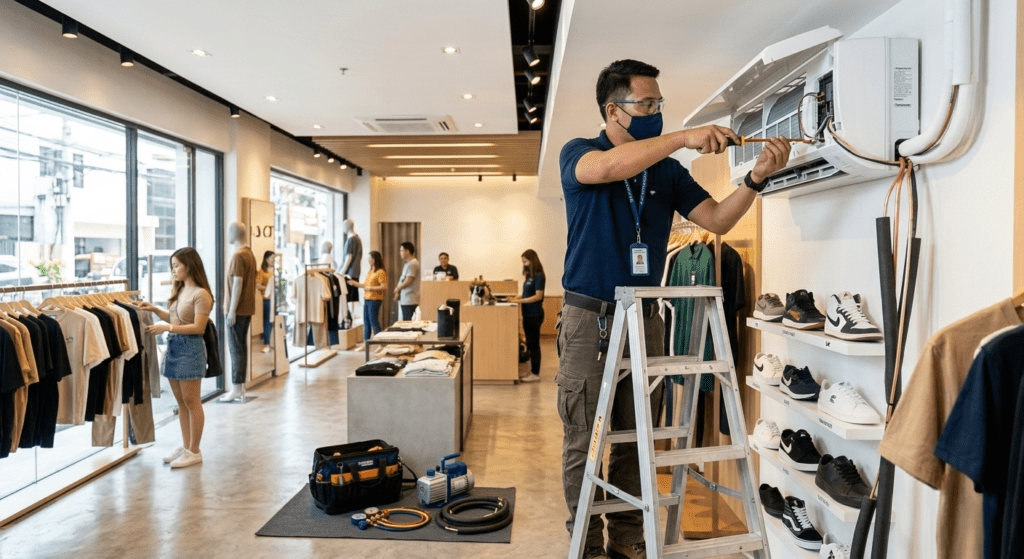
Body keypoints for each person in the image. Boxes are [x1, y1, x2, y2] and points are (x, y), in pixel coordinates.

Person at [557, 59, 791, 559]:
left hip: (643, 316)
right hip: (589, 320)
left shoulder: (667, 173)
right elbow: (605, 170)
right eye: (646, 104)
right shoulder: (580, 153)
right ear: (612, 110)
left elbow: (718, 220)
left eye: (659, 105)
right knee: (585, 439)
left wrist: (756, 178)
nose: (655, 112)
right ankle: (587, 548)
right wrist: (684, 136)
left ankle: (627, 542)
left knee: (635, 437)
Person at [137, 247, 214, 469]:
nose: (172, 270)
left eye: (176, 266)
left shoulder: (201, 294)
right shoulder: (180, 290)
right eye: (172, 266)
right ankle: (186, 446)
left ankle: (195, 450)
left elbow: (198, 328)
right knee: (181, 402)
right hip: (173, 347)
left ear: (189, 266)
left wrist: (167, 327)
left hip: (190, 349)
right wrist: (155, 309)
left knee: (192, 401)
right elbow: (175, 318)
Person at [220, 222, 256, 402]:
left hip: (237, 310)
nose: (227, 234)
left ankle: (236, 387)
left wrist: (232, 309)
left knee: (236, 349)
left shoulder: (238, 256)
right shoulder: (249, 254)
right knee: (241, 348)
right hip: (247, 309)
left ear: (234, 234)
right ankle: (240, 387)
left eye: (228, 231)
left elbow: (237, 283)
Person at [510, 249, 545, 383]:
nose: (524, 264)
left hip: (535, 314)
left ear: (532, 260)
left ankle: (535, 373)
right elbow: (526, 294)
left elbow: (538, 296)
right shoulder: (529, 276)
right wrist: (514, 298)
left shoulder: (539, 276)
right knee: (530, 344)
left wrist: (519, 301)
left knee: (534, 344)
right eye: (523, 262)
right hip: (527, 314)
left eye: (525, 261)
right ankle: (532, 371)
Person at [348, 251, 387, 340]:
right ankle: (366, 344)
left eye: (370, 258)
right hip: (367, 299)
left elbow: (384, 287)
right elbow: (365, 285)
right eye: (368, 258)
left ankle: (380, 343)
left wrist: (370, 288)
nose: (369, 260)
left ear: (375, 259)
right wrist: (355, 283)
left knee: (374, 321)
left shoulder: (380, 272)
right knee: (366, 322)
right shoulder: (370, 271)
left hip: (375, 300)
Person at [340, 219, 363, 325]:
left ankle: (351, 318)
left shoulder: (351, 239)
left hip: (350, 274)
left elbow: (348, 257)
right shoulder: (357, 239)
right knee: (352, 297)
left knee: (349, 298)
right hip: (355, 272)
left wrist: (341, 273)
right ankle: (353, 318)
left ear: (347, 227)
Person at [393, 241, 420, 321]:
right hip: (405, 299)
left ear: (407, 251)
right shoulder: (407, 264)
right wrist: (397, 291)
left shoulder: (413, 263)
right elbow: (403, 279)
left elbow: (408, 280)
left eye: (402, 250)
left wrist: (398, 288)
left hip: (410, 299)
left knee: (408, 323)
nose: (400, 252)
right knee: (405, 321)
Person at [256, 250, 275, 353]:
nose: (273, 260)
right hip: (267, 300)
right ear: (266, 259)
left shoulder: (275, 271)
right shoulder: (262, 272)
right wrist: (268, 288)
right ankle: (267, 343)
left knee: (274, 322)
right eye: (272, 258)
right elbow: (257, 285)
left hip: (276, 300)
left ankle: (273, 342)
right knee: (267, 322)